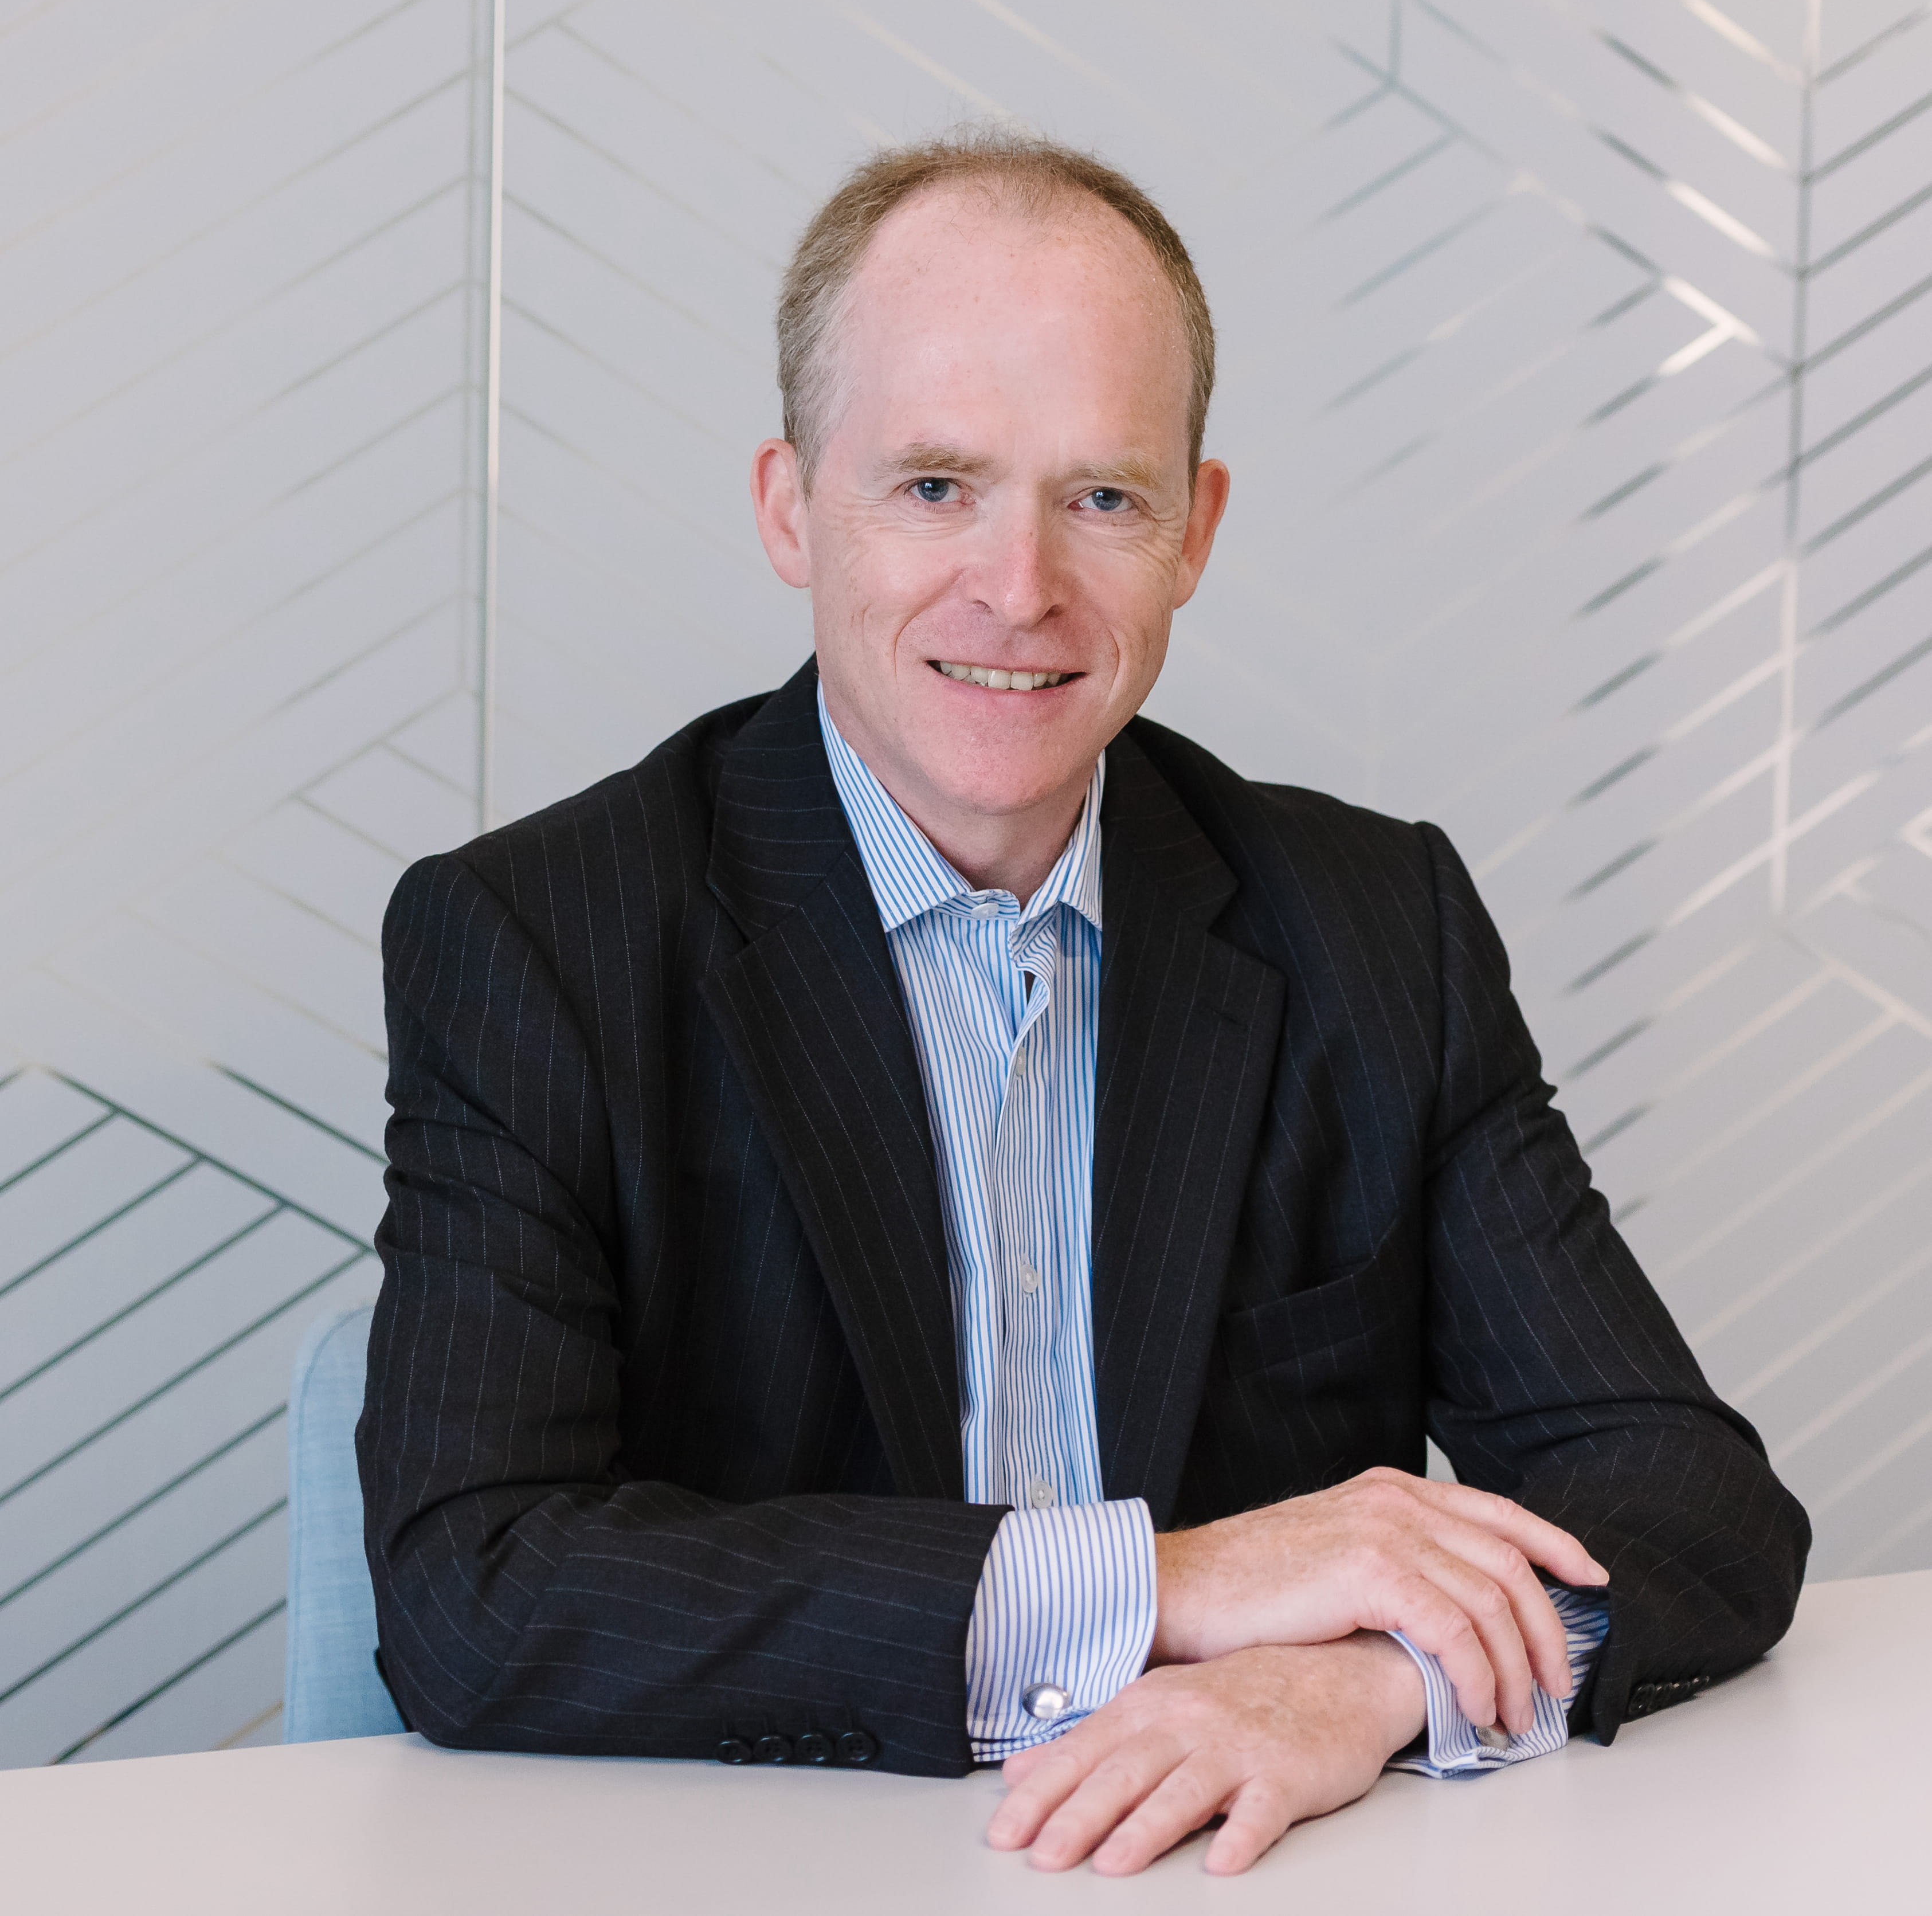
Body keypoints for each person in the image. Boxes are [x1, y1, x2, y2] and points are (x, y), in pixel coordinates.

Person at [358, 131, 1808, 1877]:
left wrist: (1364, 1680)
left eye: (1101, 497)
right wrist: (1176, 1584)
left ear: (1193, 531)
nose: (1020, 586)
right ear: (785, 503)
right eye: (932, 486)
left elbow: (1691, 1501)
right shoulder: (534, 940)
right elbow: (475, 1592)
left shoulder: (1373, 928)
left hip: (1244, 1865)